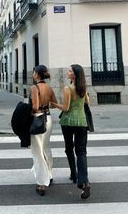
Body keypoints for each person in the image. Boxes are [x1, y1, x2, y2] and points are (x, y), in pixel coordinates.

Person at [51, 64, 90, 199]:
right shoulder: (83, 88)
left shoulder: (68, 89)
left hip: (68, 123)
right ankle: (84, 181)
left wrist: (54, 104)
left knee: (69, 148)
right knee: (81, 152)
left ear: (74, 75)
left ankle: (74, 174)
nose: (68, 72)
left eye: (70, 71)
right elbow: (87, 103)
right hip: (82, 122)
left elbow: (66, 108)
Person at [29, 65, 57, 196]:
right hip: (49, 118)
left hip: (38, 119)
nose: (33, 74)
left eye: (34, 72)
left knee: (37, 151)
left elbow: (34, 106)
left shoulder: (34, 88)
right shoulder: (49, 88)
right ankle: (49, 174)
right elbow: (54, 103)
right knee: (46, 147)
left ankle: (41, 183)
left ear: (37, 74)